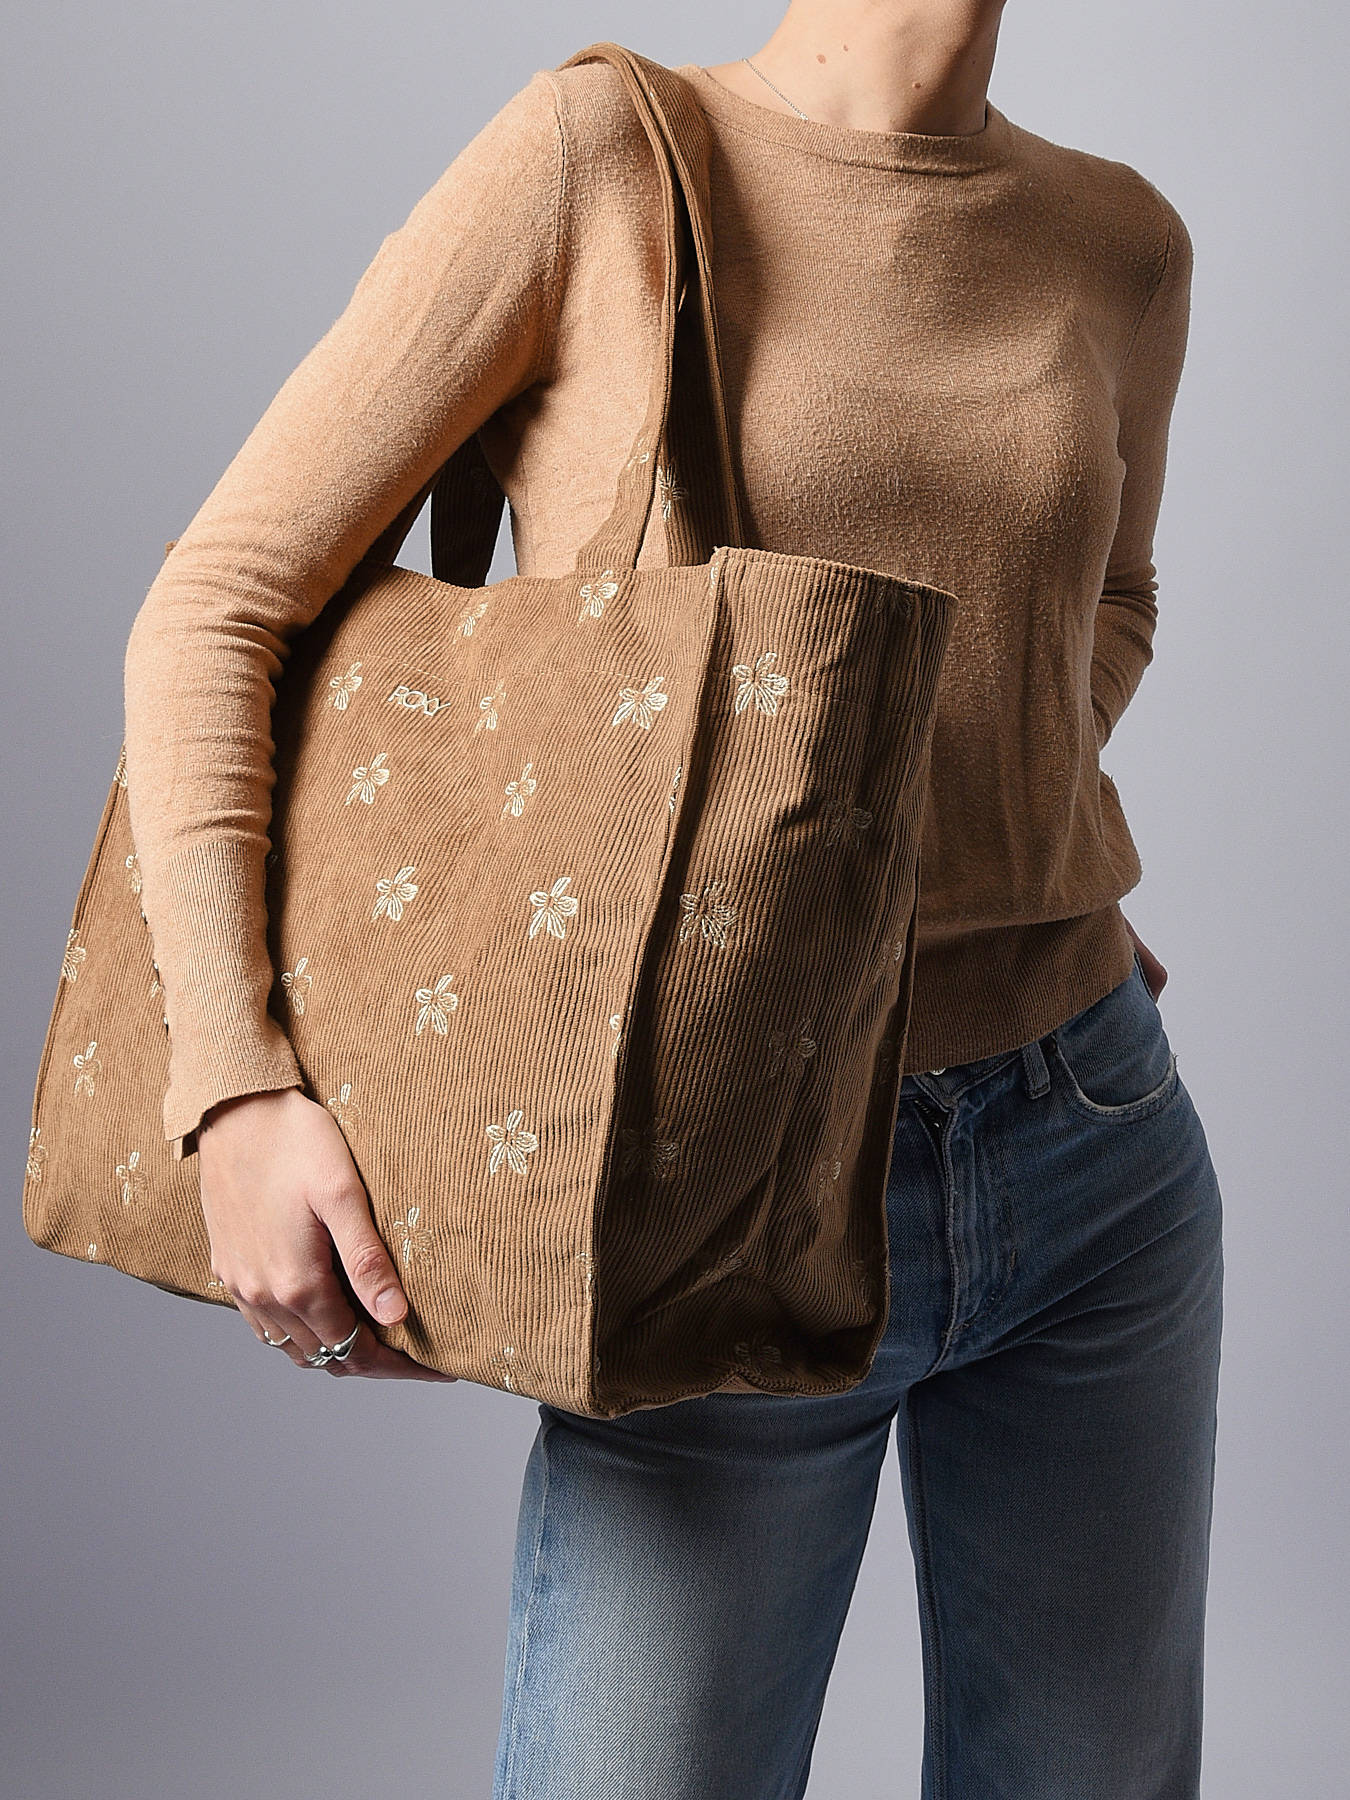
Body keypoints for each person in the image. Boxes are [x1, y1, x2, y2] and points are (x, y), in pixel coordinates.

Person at [121, 0, 1223, 1793]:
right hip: (718, 1172)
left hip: (1087, 1135)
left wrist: (994, 833)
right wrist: (232, 1078)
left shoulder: (1120, 239)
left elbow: (1113, 599)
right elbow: (220, 599)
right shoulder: (605, 160)